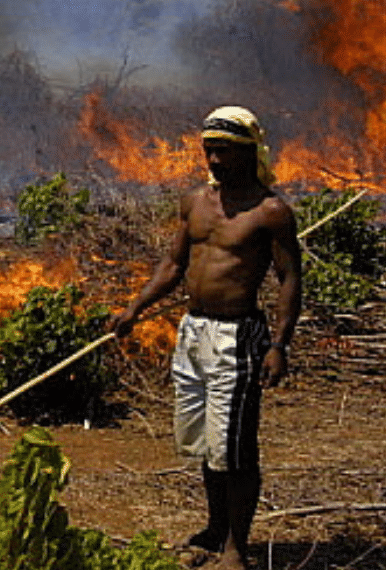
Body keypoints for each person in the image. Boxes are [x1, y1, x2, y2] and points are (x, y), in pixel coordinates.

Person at [106, 106, 301, 570]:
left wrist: (278, 345)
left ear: (248, 153)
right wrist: (135, 308)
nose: (213, 159)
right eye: (208, 149)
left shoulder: (270, 211)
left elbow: (290, 278)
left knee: (235, 446)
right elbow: (173, 266)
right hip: (193, 333)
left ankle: (236, 547)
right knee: (208, 443)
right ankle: (215, 530)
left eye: (224, 150)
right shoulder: (194, 202)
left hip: (238, 337)